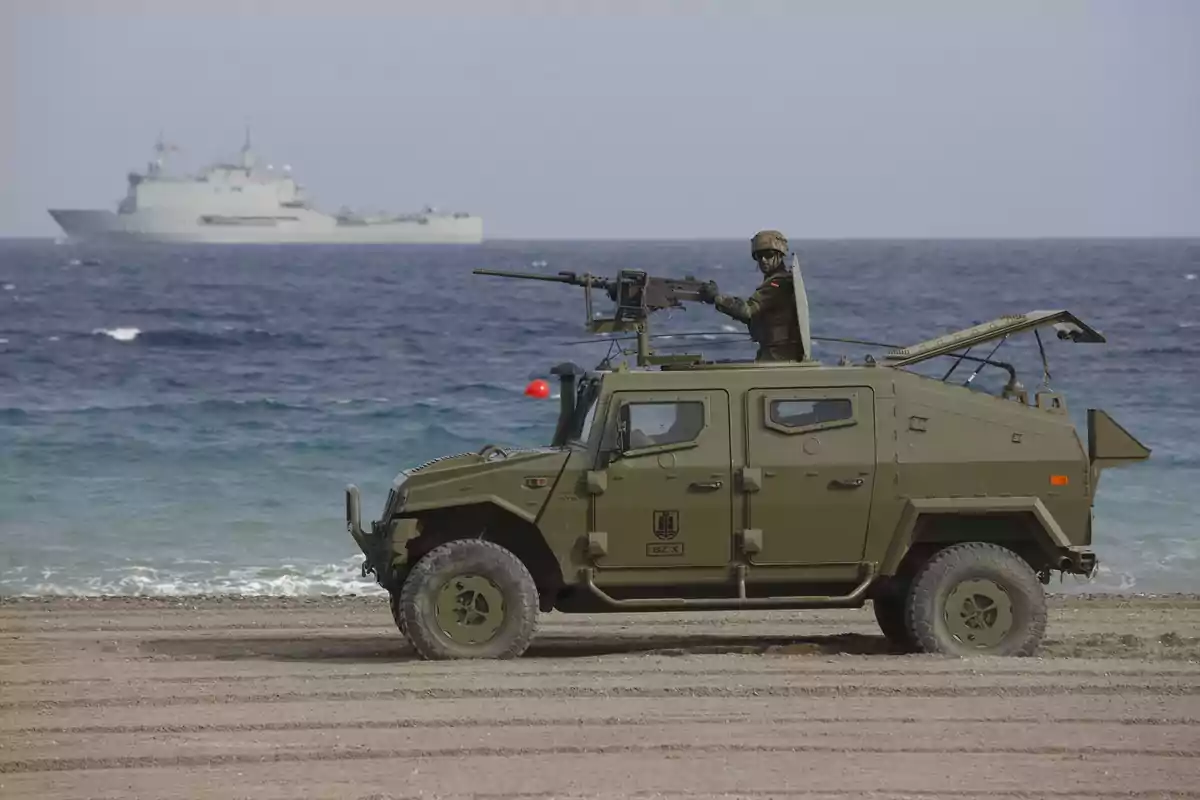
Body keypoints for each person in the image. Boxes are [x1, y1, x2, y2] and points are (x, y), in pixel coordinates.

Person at [698, 230, 803, 361]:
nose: (764, 260)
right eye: (759, 256)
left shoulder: (778, 283)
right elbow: (755, 317)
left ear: (779, 255)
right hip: (776, 353)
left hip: (777, 356)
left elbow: (748, 311)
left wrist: (717, 298)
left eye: (768, 255)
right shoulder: (779, 281)